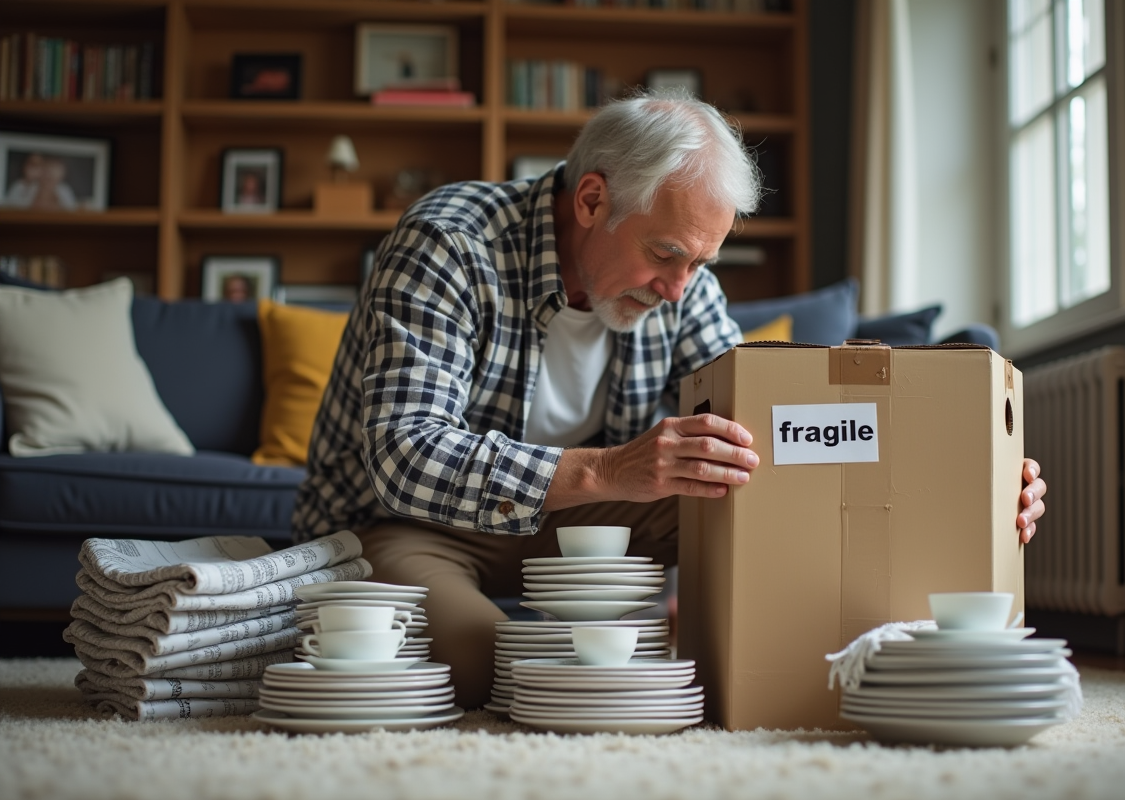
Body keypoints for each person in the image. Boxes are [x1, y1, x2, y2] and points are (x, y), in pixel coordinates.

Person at [292, 92, 1048, 708]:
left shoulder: (686, 290)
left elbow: (776, 434)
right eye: (665, 254)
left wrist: (962, 487)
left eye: (702, 262)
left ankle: (875, 651)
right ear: (592, 200)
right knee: (489, 666)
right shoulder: (450, 243)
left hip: (586, 526)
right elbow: (406, 453)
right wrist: (606, 470)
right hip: (410, 525)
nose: (680, 288)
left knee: (746, 480)